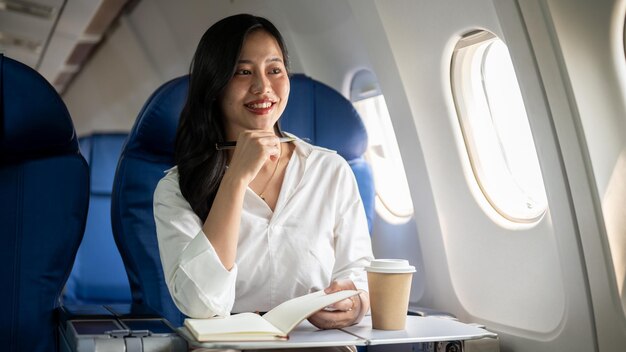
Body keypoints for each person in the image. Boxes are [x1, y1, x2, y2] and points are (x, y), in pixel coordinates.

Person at [153, 13, 373, 338]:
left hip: (316, 346)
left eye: (274, 70)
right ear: (214, 84)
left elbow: (358, 271)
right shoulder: (176, 188)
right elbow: (201, 304)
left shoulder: (330, 171)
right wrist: (235, 180)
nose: (262, 87)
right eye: (243, 72)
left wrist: (356, 303)